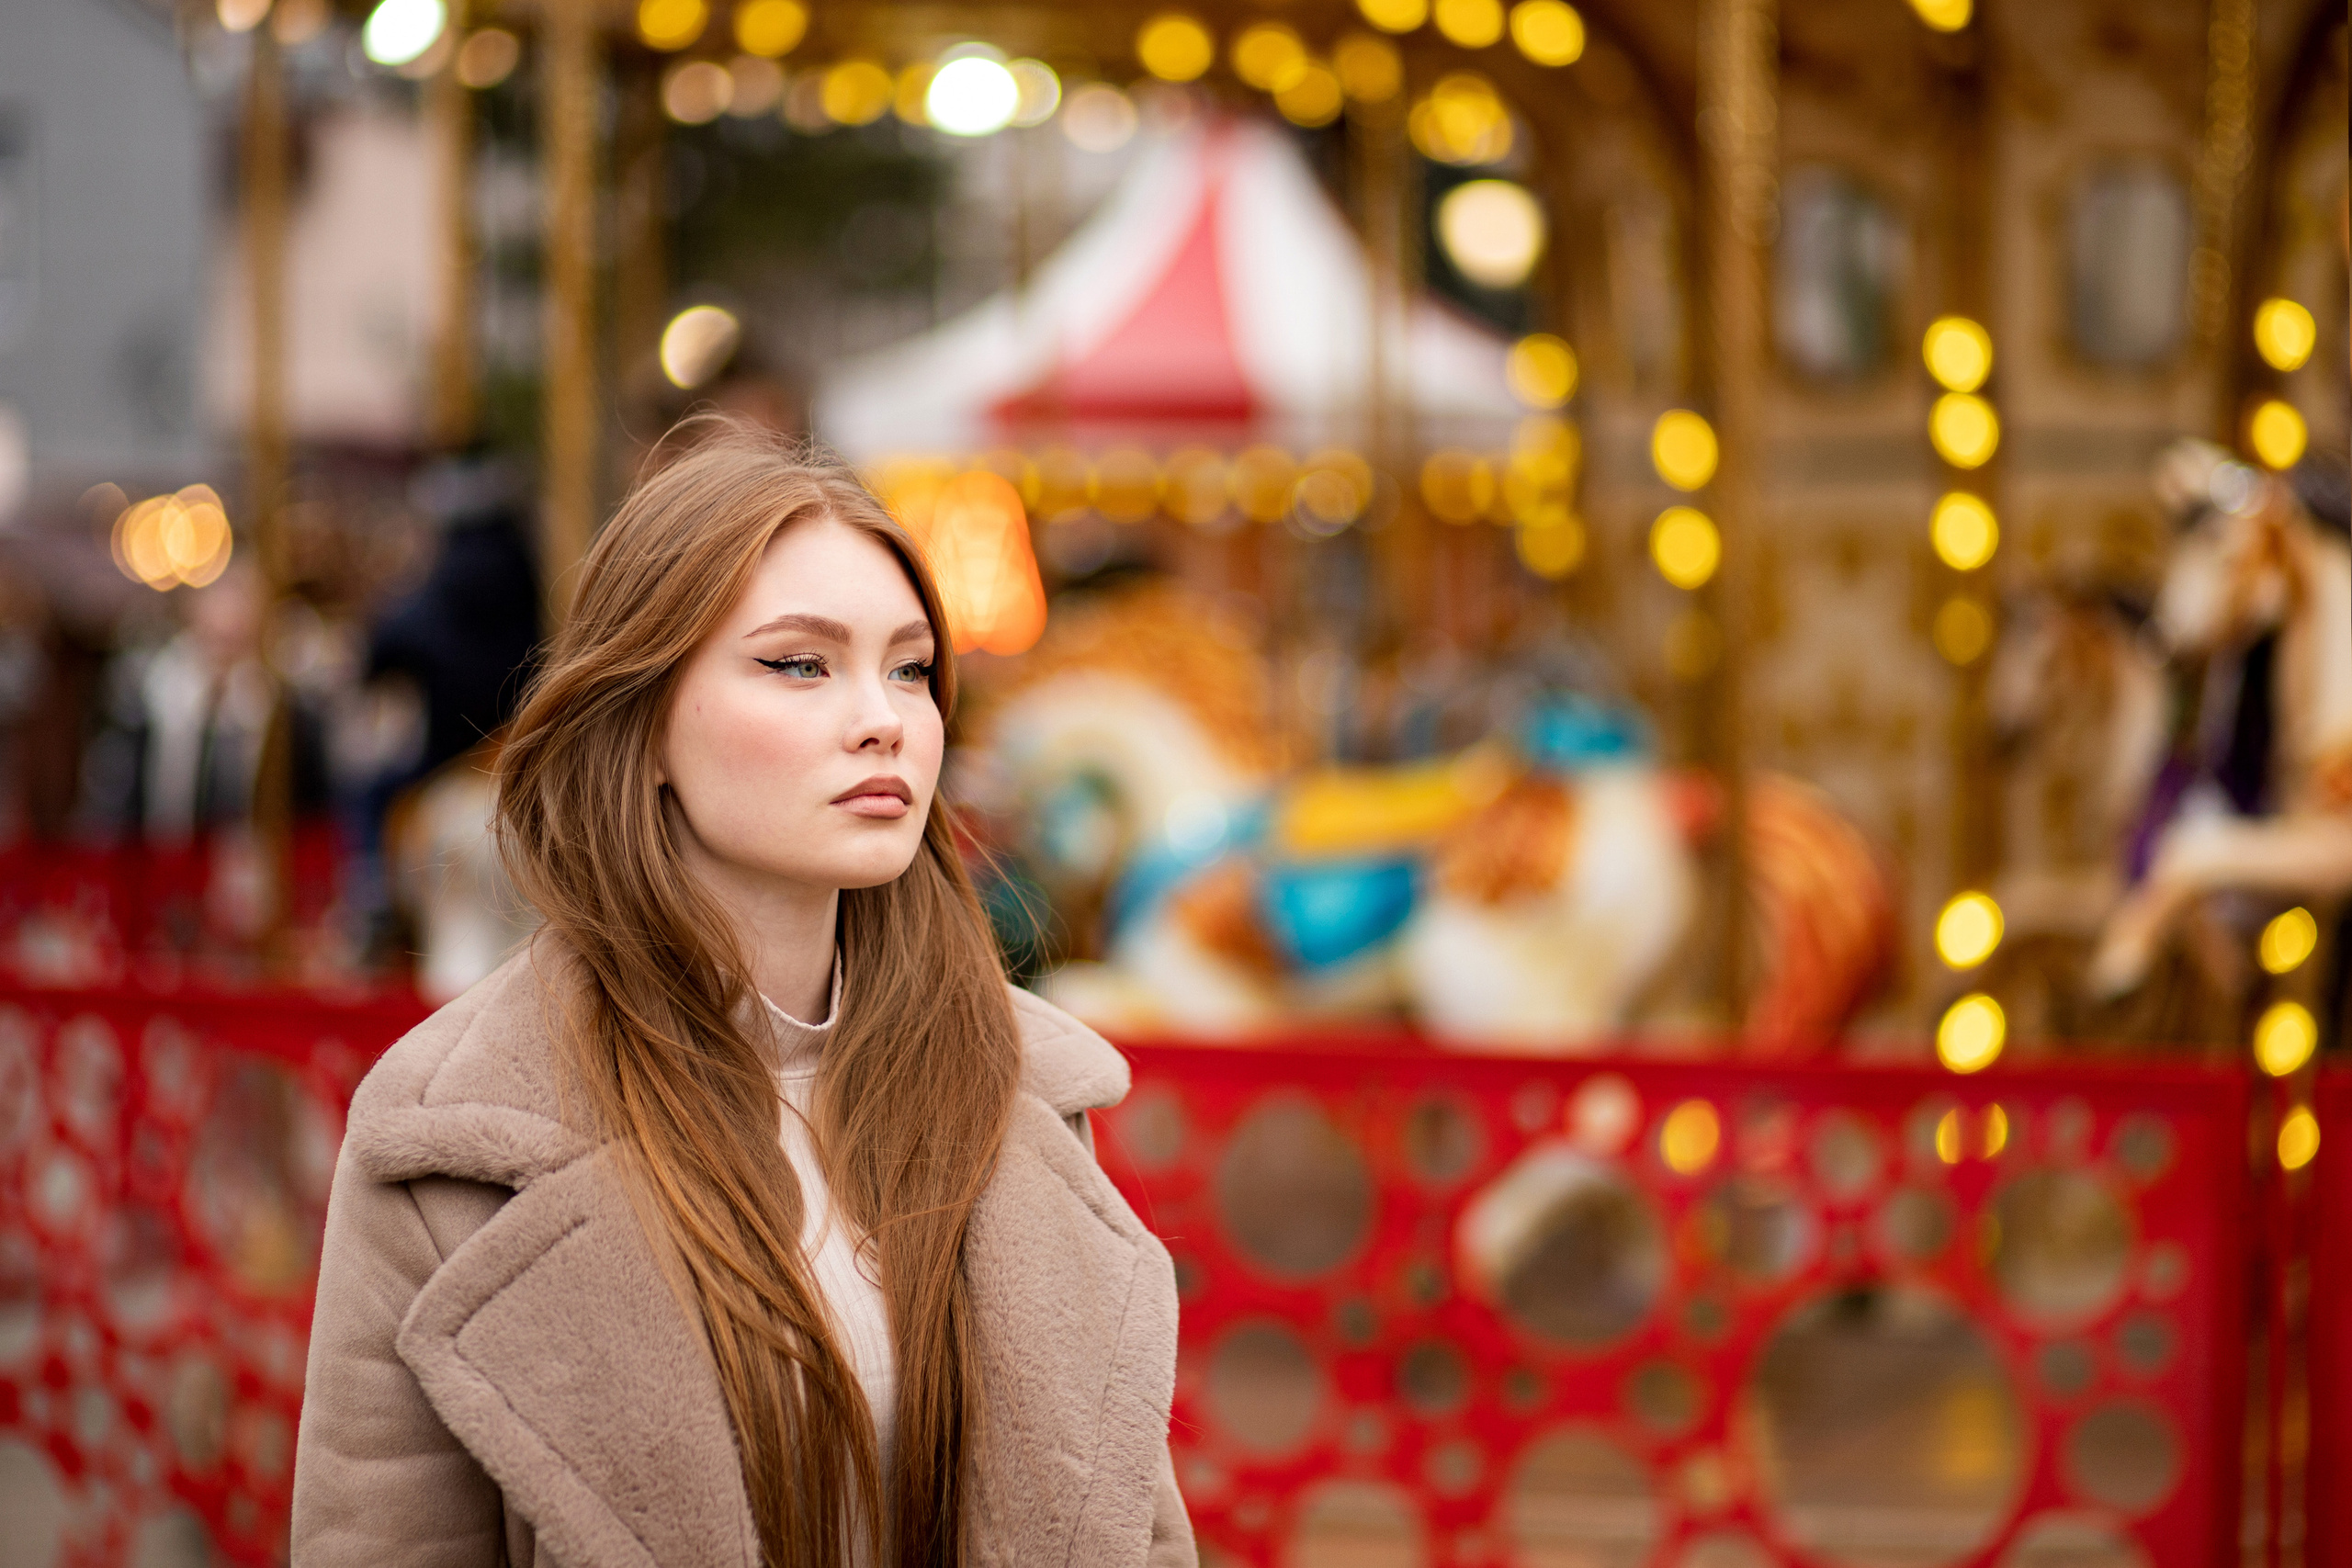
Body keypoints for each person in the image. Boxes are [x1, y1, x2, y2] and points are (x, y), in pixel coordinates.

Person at [290, 422, 1193, 1567]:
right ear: (646, 716)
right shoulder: (449, 1131)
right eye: (799, 663)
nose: (884, 718)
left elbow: (1128, 1527)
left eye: (911, 667)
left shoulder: (1024, 1087)